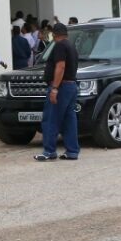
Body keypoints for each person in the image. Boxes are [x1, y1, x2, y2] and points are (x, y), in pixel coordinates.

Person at [35, 22, 80, 161]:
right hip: (71, 86)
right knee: (69, 120)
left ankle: (49, 151)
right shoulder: (71, 46)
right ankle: (72, 151)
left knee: (51, 119)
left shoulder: (59, 46)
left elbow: (60, 66)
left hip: (61, 87)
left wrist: (55, 88)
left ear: (54, 34)